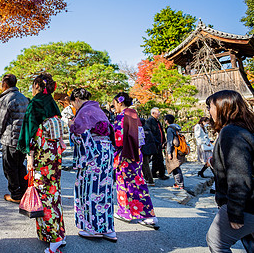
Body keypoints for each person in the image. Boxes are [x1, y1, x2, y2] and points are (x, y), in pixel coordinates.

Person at [17, 73, 65, 253]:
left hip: (41, 151)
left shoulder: (35, 102)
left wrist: (29, 157)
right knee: (54, 193)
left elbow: (29, 131)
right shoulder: (52, 103)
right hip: (54, 152)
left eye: (33, 85)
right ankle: (59, 233)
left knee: (44, 194)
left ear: (37, 85)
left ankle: (54, 240)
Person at [205, 90, 254, 253]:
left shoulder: (230, 132)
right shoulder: (244, 128)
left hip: (246, 204)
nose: (209, 111)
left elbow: (239, 176)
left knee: (216, 240)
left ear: (222, 108)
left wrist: (235, 212)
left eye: (210, 106)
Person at [68, 88, 116, 242]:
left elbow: (81, 136)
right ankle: (108, 229)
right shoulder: (99, 110)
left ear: (76, 99)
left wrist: (71, 126)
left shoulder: (84, 112)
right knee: (106, 189)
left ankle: (92, 228)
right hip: (107, 151)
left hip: (93, 154)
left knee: (90, 190)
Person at [112, 92, 159, 229]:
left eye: (115, 104)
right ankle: (125, 212)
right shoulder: (133, 115)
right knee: (134, 182)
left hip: (125, 155)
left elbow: (118, 139)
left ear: (120, 102)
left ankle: (148, 215)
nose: (114, 107)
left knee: (128, 184)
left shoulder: (122, 116)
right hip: (136, 152)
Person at [0, 74, 29, 203]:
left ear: (5, 84)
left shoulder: (6, 98)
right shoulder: (23, 98)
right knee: (20, 165)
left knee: (9, 167)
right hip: (22, 138)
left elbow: (0, 121)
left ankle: (15, 194)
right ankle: (24, 191)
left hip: (10, 138)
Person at [146, 107, 169, 180]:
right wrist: (157, 141)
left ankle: (154, 173)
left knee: (157, 159)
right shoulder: (150, 121)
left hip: (159, 143)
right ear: (153, 113)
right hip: (155, 143)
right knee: (159, 159)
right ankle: (161, 174)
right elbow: (151, 133)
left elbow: (160, 131)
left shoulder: (157, 121)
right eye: (158, 112)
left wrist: (164, 140)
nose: (159, 113)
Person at [164, 114, 185, 189]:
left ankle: (179, 184)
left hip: (173, 150)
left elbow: (170, 142)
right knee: (176, 166)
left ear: (167, 121)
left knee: (174, 166)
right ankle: (179, 183)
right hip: (178, 149)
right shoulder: (176, 128)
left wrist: (169, 153)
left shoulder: (170, 129)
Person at [140, 118, 156, 187]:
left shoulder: (142, 130)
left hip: (145, 150)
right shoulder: (147, 129)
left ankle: (150, 180)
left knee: (145, 165)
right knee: (144, 165)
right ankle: (147, 179)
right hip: (149, 150)